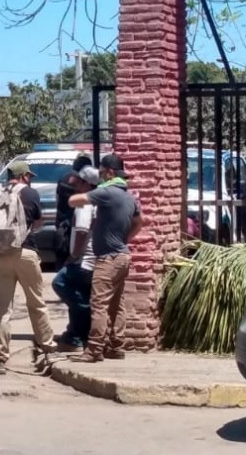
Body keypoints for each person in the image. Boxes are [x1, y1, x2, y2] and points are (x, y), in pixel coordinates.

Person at [0, 161, 56, 374]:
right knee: (37, 303)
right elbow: (39, 221)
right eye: (29, 176)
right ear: (24, 176)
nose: (30, 179)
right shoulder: (31, 194)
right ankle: (48, 350)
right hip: (26, 253)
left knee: (3, 310)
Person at [68, 154, 142, 363]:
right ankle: (116, 345)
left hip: (108, 259)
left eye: (101, 172)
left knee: (98, 304)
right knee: (116, 304)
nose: (99, 175)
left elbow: (75, 200)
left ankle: (94, 350)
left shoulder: (107, 192)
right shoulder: (129, 197)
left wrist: (81, 189)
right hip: (123, 256)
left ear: (109, 172)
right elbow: (139, 223)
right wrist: (124, 238)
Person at [52, 165, 100, 353]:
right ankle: (76, 335)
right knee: (78, 294)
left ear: (87, 184)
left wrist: (74, 255)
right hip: (91, 259)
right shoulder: (97, 202)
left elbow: (81, 231)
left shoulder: (84, 203)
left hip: (82, 259)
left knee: (60, 283)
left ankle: (83, 317)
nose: (75, 183)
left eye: (79, 181)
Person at [54, 155, 93, 270]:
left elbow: (57, 200)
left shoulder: (63, 178)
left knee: (61, 261)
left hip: (61, 226)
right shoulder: (82, 182)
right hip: (75, 227)